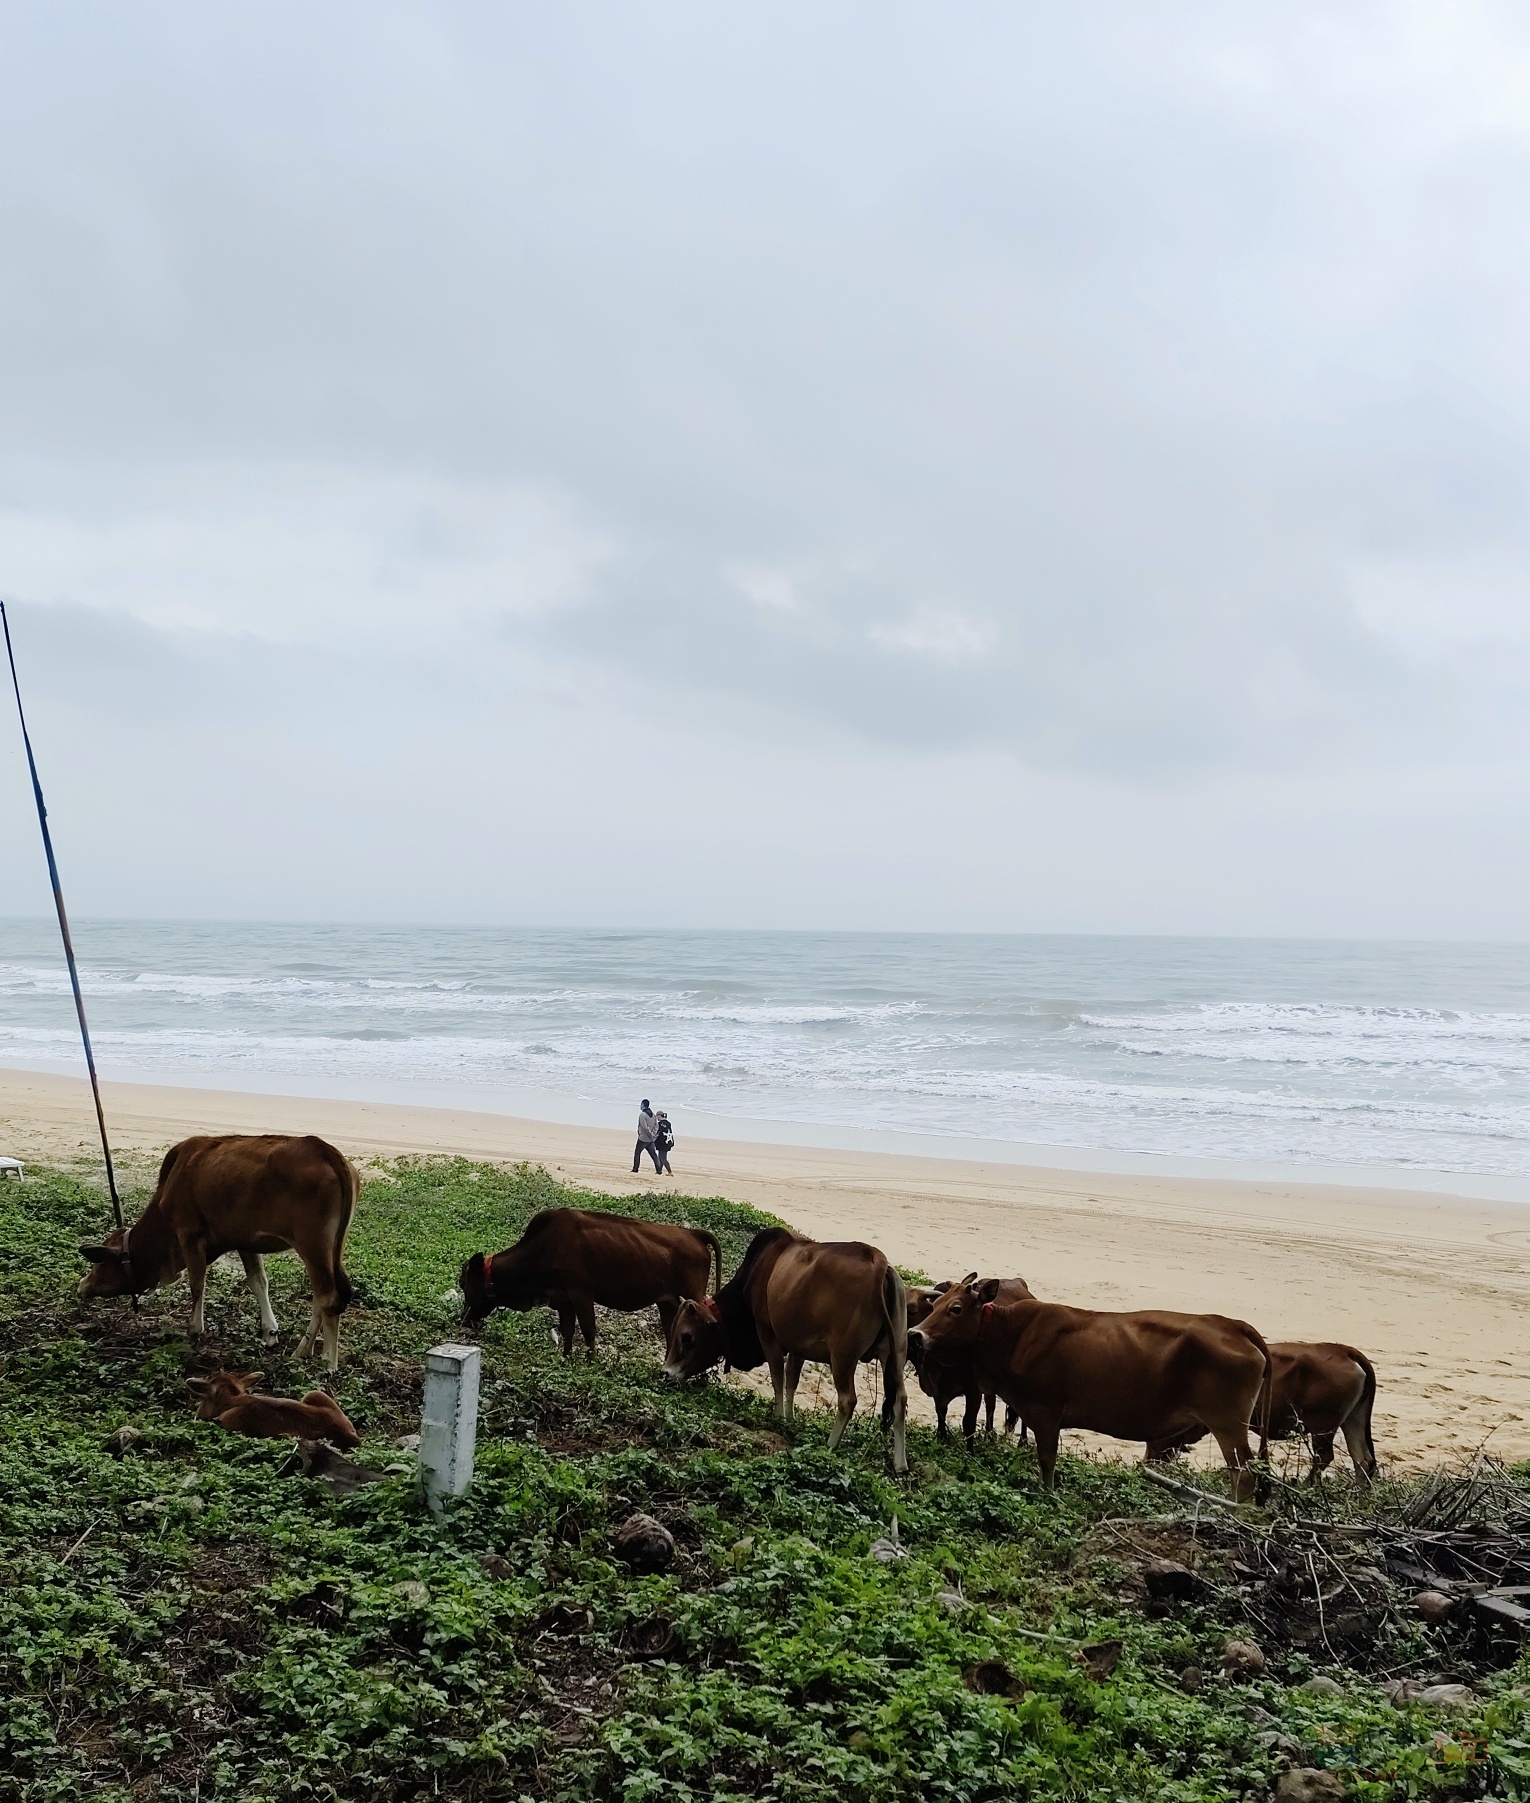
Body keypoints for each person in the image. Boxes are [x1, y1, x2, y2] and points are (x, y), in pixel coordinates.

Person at [633, 1099, 661, 1173]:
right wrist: (653, 1135)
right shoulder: (653, 1115)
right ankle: (659, 1170)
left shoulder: (642, 1115)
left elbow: (644, 1127)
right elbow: (656, 1126)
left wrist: (651, 1135)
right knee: (654, 1155)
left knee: (637, 1153)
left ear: (642, 1105)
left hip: (643, 1138)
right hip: (650, 1139)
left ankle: (635, 1169)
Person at [654, 1110, 674, 1176]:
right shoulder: (668, 1123)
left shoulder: (660, 1124)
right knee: (661, 1157)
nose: (656, 1117)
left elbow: (657, 1134)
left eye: (657, 1116)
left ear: (659, 1115)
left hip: (663, 1143)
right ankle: (659, 1171)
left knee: (663, 1158)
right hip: (669, 1142)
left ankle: (670, 1172)